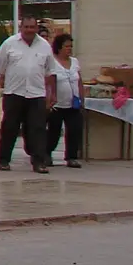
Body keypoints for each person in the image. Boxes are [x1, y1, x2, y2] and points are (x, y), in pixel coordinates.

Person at [0, 15, 56, 172]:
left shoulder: (44, 46)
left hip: (37, 94)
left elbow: (51, 73)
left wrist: (51, 94)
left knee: (38, 128)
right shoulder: (9, 44)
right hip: (14, 93)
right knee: (10, 127)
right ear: (21, 28)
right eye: (26, 27)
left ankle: (38, 161)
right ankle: (4, 159)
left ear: (37, 28)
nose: (29, 30)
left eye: (32, 27)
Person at [43, 33, 84, 169]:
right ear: (59, 48)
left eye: (71, 46)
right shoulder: (52, 62)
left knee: (74, 130)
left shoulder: (75, 62)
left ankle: (71, 157)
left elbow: (79, 81)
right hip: (57, 104)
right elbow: (49, 82)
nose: (69, 49)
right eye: (66, 46)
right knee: (53, 131)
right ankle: (47, 153)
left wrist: (81, 97)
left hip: (73, 104)